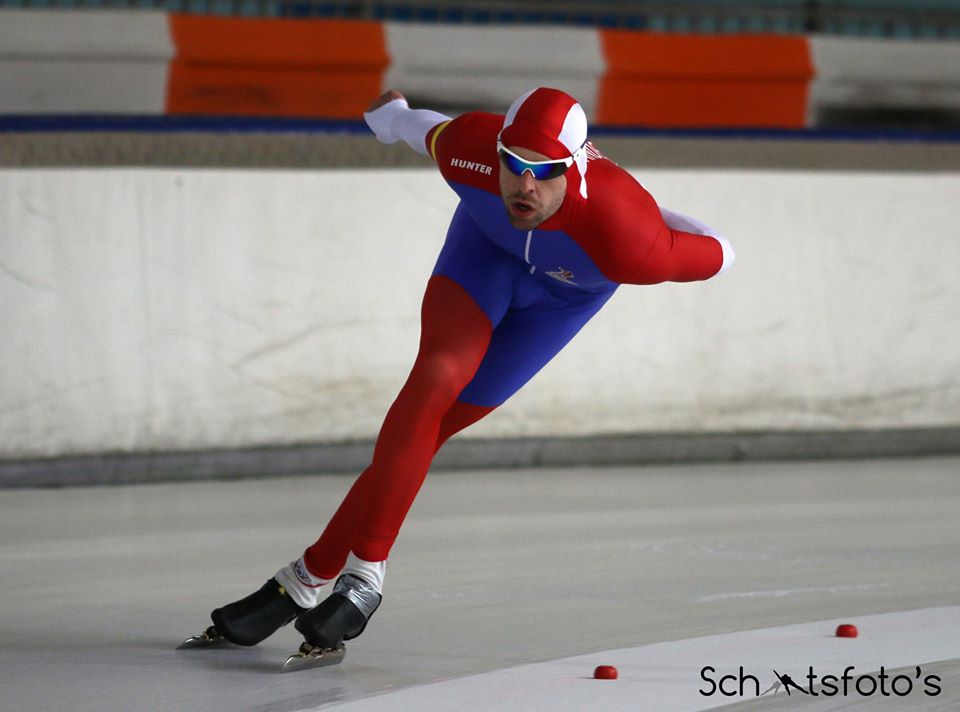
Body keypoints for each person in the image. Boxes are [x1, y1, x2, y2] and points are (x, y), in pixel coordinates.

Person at [182, 87, 734, 667]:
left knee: (433, 428)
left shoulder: (629, 239)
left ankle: (307, 576)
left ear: (573, 168)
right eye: (513, 165)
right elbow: (415, 125)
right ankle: (364, 576)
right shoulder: (468, 147)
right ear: (496, 150)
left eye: (545, 173)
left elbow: (722, 251)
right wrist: (389, 115)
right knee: (435, 380)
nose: (524, 186)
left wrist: (664, 221)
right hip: (483, 258)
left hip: (560, 300)